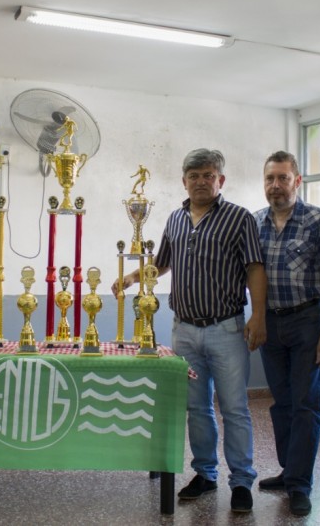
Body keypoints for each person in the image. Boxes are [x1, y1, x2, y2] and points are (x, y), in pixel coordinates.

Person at [112, 148, 267, 514]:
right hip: (184, 331)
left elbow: (255, 268)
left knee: (234, 409)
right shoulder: (176, 219)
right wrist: (133, 277)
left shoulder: (239, 218)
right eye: (194, 175)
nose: (200, 181)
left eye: (208, 175)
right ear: (184, 181)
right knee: (196, 407)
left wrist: (258, 316)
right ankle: (205, 474)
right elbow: (162, 263)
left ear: (220, 180)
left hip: (226, 329)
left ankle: (242, 480)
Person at [251, 151, 320, 516]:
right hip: (270, 323)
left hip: (307, 322)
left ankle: (300, 484)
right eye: (270, 179)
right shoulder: (255, 223)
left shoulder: (318, 221)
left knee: (307, 405)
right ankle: (289, 471)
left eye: (283, 178)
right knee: (281, 403)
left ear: (297, 181)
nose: (275, 186)